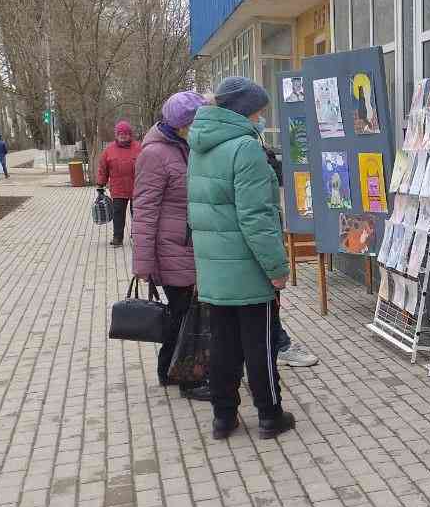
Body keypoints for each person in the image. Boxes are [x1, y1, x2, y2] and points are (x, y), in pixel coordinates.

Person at [188, 77, 294, 440]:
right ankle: (269, 415)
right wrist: (277, 269)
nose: (261, 119)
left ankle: (224, 417)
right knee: (260, 345)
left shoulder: (200, 145)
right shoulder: (245, 149)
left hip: (214, 268)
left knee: (223, 345)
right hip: (248, 269)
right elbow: (257, 218)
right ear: (244, 111)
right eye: (260, 113)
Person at [132, 91, 210, 401]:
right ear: (181, 125)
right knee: (185, 316)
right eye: (196, 122)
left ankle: (168, 371)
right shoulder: (155, 154)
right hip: (171, 249)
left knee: (184, 314)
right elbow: (144, 210)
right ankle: (188, 379)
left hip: (188, 246)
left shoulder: (184, 148)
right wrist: (143, 264)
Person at [259, 140, 320, 369]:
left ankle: (277, 344)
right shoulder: (243, 154)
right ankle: (278, 347)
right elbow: (257, 220)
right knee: (262, 305)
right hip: (245, 256)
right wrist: (277, 268)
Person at [97, 121, 142, 246]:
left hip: (137, 188)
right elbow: (103, 168)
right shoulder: (109, 150)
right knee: (118, 214)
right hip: (118, 189)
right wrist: (100, 184)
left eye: (126, 134)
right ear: (116, 135)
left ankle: (137, 236)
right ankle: (118, 237)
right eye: (120, 134)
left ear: (130, 134)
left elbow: (147, 166)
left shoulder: (139, 148)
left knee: (138, 214)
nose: (123, 136)